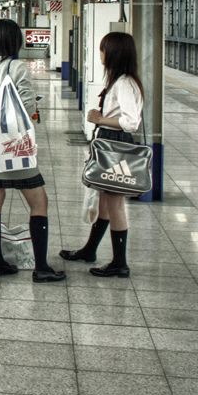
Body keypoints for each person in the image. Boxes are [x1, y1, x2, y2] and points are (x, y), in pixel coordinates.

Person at [0, 19, 65, 283]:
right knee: (39, 201)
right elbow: (28, 104)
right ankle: (42, 267)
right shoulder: (17, 67)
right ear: (16, 41)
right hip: (13, 148)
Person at [60, 31, 144, 278]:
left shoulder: (125, 84)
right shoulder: (120, 81)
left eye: (103, 49)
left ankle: (120, 263)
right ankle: (90, 250)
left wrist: (101, 119)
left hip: (115, 145)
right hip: (109, 143)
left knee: (115, 204)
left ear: (114, 53)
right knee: (106, 202)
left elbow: (131, 122)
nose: (100, 54)